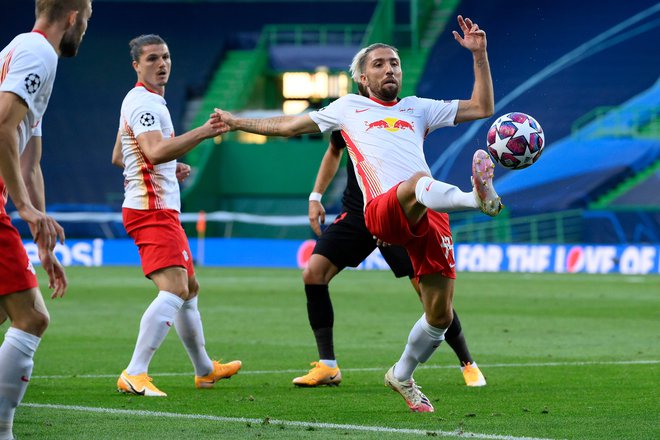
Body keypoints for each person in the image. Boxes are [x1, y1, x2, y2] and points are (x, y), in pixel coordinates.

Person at [214, 15, 500, 412]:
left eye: (395, 63)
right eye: (379, 64)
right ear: (363, 78)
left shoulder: (419, 109)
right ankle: (476, 199)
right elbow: (289, 126)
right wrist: (234, 122)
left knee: (438, 315)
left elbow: (483, 106)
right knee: (417, 180)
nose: (390, 69)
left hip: (429, 212)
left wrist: (480, 55)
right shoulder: (347, 108)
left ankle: (402, 374)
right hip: (382, 211)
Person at [293, 130, 486, 388]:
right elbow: (333, 150)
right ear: (362, 85)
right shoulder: (346, 114)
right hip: (358, 215)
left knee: (429, 294)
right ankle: (328, 366)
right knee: (313, 273)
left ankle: (467, 363)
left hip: (397, 213)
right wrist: (315, 196)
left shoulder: (401, 116)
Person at [111, 34, 240, 397]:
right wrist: (203, 131)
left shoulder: (140, 102)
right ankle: (135, 372)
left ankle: (205, 370)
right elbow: (152, 152)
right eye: (152, 58)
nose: (162, 63)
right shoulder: (146, 105)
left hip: (159, 206)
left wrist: (173, 166)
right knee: (175, 289)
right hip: (151, 210)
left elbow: (123, 156)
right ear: (136, 65)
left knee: (190, 289)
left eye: (165, 56)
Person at [0, 1, 92, 438]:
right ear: (73, 17)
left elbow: (29, 158)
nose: (86, 28)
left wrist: (41, 240)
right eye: (88, 17)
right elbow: (1, 127)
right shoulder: (38, 53)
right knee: (32, 318)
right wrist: (23, 208)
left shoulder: (25, 52)